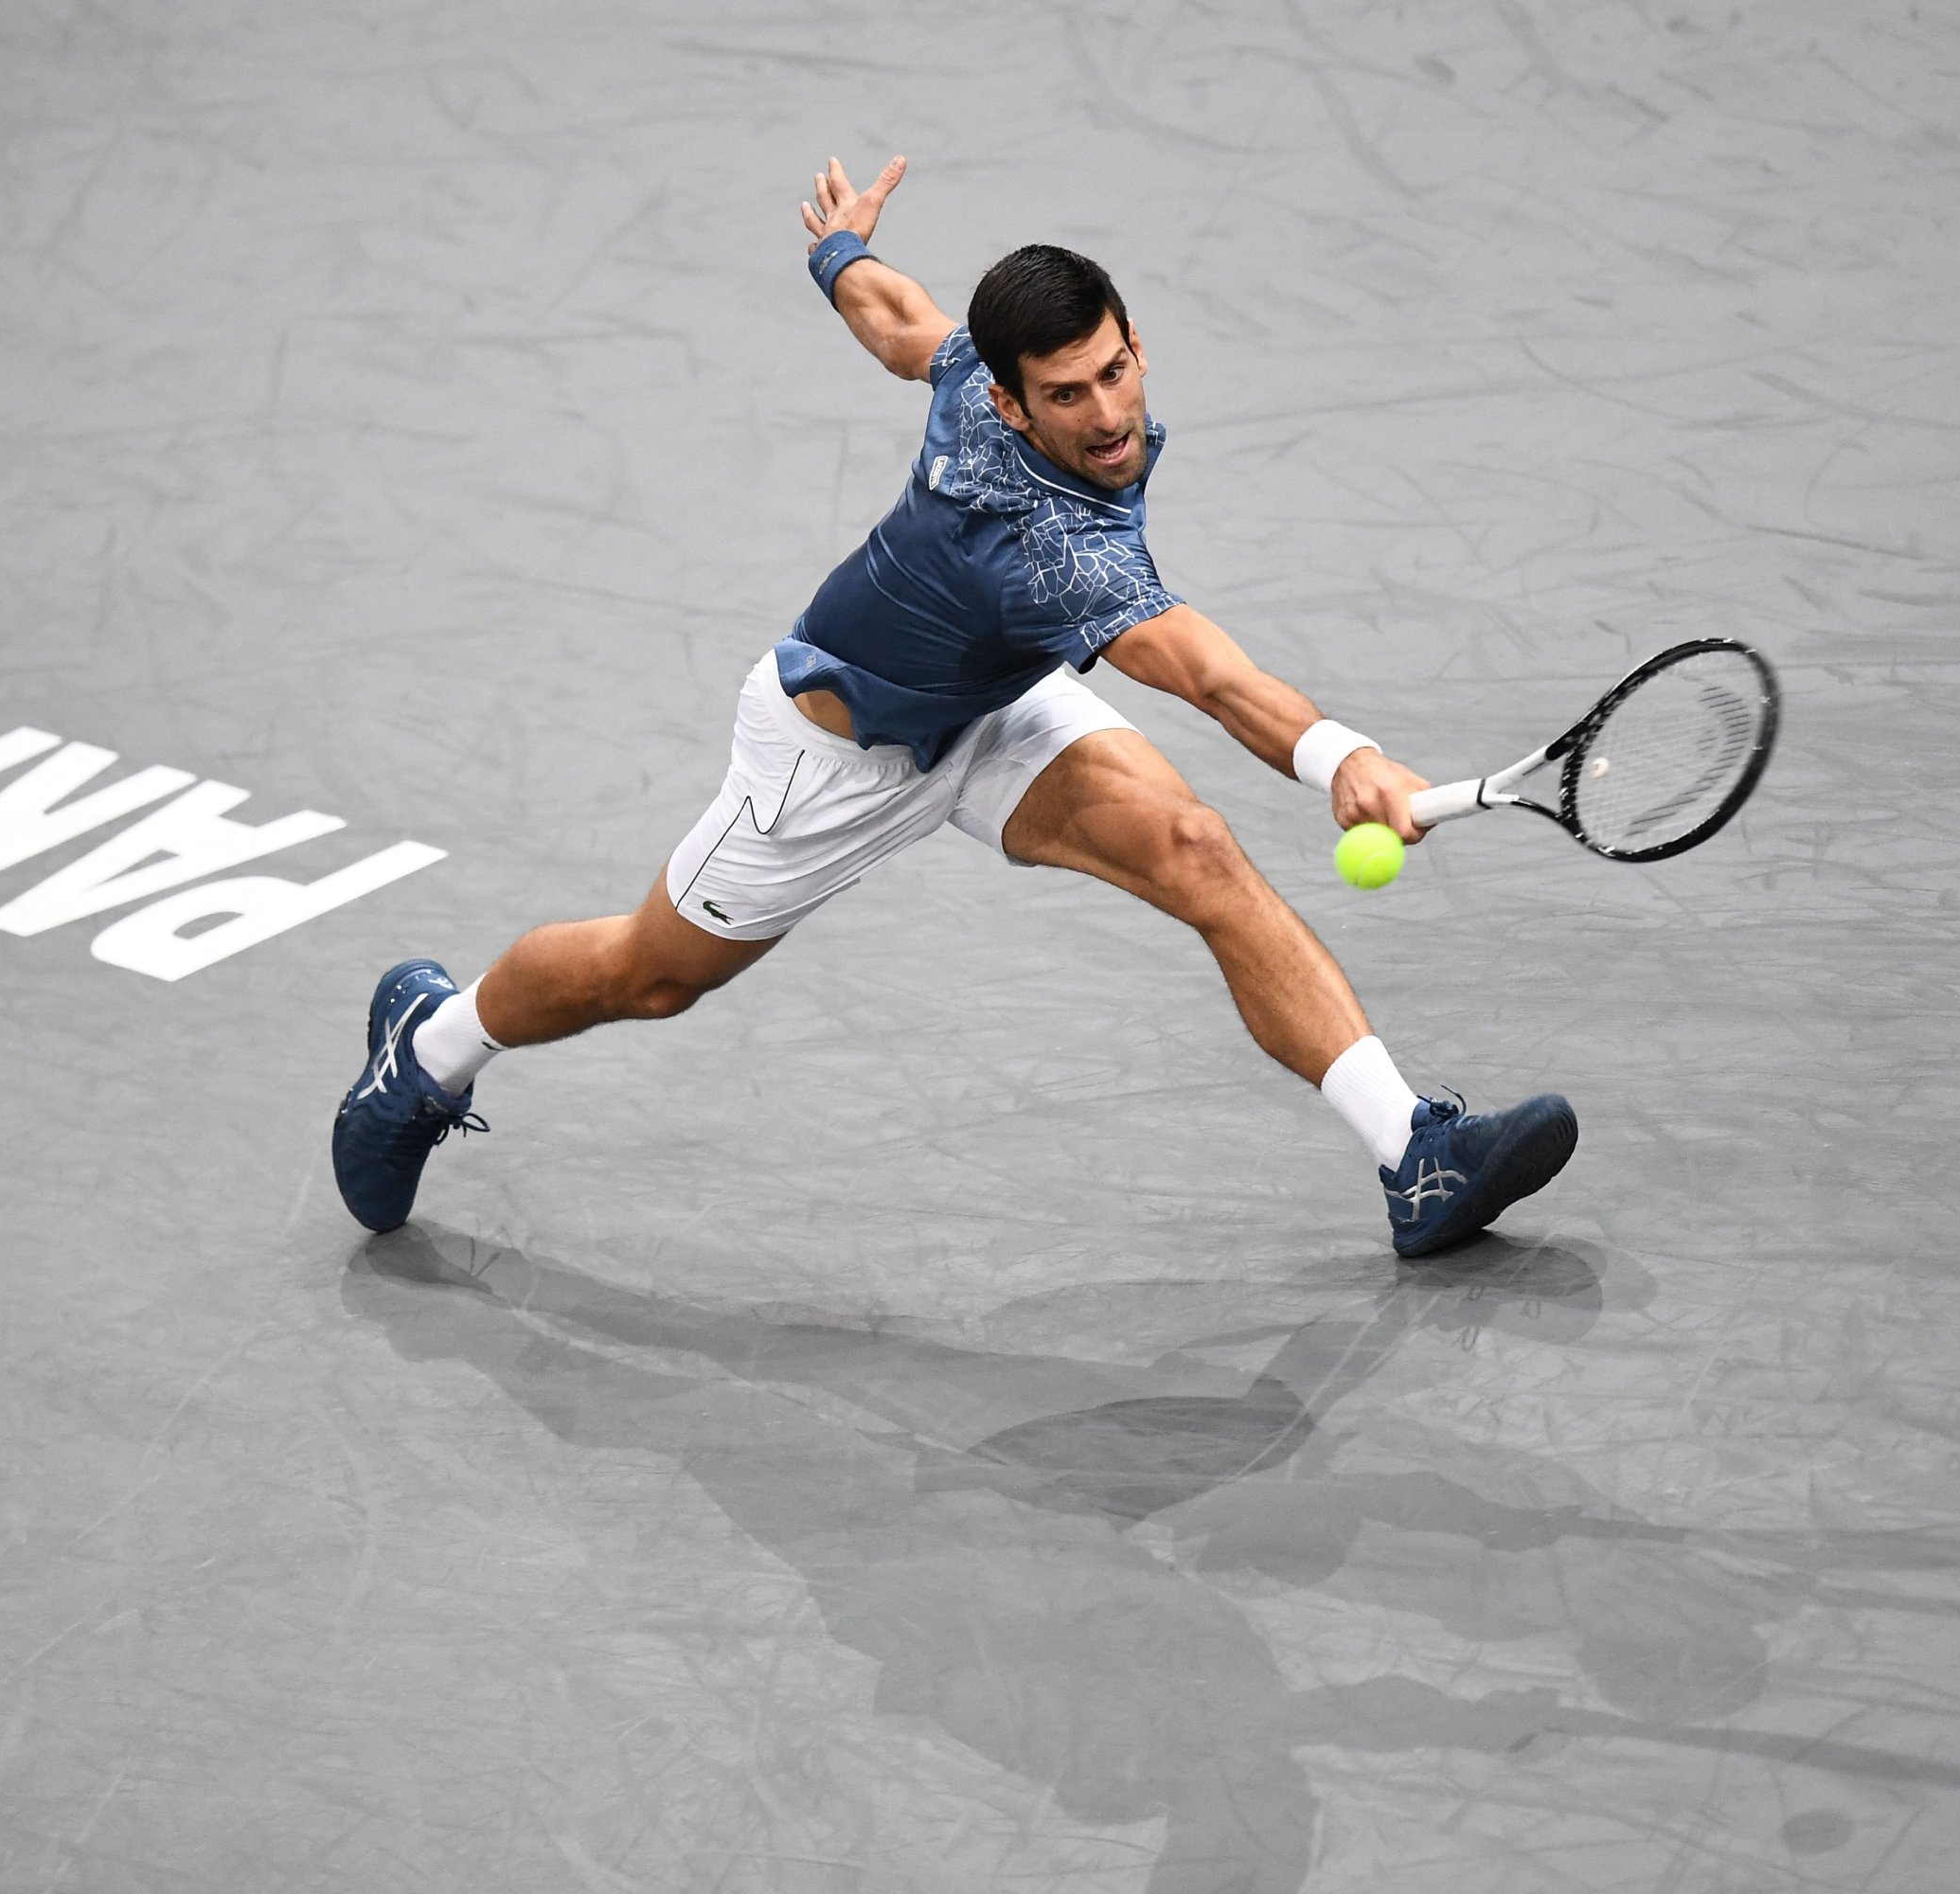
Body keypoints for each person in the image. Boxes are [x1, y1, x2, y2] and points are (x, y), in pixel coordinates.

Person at [332, 154, 1577, 1260]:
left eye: (1115, 370)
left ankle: (1414, 1154)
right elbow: (1209, 673)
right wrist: (1338, 754)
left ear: (1133, 341)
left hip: (993, 707)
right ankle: (431, 1048)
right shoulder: (1052, 549)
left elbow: (896, 321)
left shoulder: (981, 367)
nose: (1109, 416)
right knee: (649, 977)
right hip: (834, 756)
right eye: (1070, 396)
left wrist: (838, 248)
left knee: (1196, 851)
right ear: (1013, 405)